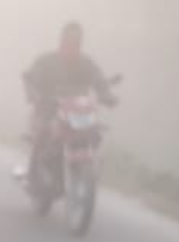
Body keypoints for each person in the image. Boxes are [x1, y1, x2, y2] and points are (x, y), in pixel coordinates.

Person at [17, 21, 117, 184]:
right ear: (61, 40)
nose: (72, 45)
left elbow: (99, 81)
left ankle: (88, 168)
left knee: (96, 133)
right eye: (68, 40)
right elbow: (30, 78)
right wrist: (34, 95)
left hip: (77, 113)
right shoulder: (46, 61)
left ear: (80, 43)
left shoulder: (86, 63)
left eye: (76, 41)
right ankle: (33, 175)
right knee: (42, 132)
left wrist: (107, 96)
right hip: (48, 110)